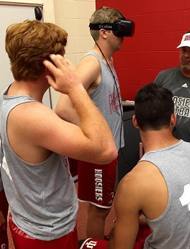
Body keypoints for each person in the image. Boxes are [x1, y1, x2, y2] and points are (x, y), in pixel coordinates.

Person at [0, 20, 117, 249]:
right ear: (49, 65)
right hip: (48, 232)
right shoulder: (31, 116)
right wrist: (75, 87)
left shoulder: (10, 96)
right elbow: (106, 150)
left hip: (30, 220)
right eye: (61, 58)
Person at [79, 83, 190, 249]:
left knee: (86, 244)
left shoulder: (133, 183)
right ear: (173, 118)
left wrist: (115, 230)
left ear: (135, 121)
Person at [55, 7, 134, 239]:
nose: (124, 36)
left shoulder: (107, 61)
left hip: (107, 151)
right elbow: (63, 107)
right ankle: (94, 244)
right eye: (119, 29)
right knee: (99, 210)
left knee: (104, 207)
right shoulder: (93, 63)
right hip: (98, 152)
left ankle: (96, 242)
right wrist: (94, 131)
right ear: (104, 33)